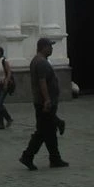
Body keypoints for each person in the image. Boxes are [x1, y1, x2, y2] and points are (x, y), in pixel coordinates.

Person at [19, 37, 67, 169]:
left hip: (43, 102)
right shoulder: (41, 62)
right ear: (44, 47)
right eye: (50, 46)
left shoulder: (38, 60)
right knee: (42, 131)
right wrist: (47, 99)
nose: (51, 49)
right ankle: (27, 156)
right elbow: (42, 82)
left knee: (49, 131)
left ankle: (55, 158)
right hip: (44, 103)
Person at [0, 46, 15, 129]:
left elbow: (9, 72)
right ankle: (0, 123)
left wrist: (6, 82)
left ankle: (9, 118)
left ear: (0, 53)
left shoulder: (4, 61)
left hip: (3, 85)